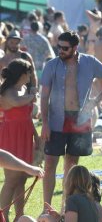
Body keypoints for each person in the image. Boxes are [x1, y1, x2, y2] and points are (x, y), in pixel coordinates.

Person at [40, 31, 102, 209]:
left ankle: (65, 207)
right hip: (56, 119)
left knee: (71, 165)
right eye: (58, 47)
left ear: (75, 48)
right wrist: (45, 123)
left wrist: (96, 101)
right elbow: (44, 97)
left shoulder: (89, 62)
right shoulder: (52, 65)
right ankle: (47, 207)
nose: (60, 50)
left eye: (64, 48)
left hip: (79, 119)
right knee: (50, 163)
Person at [0, 59, 39, 220]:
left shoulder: (24, 89)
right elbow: (16, 102)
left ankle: (19, 216)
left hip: (25, 135)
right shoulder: (7, 92)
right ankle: (3, 216)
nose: (31, 75)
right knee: (11, 180)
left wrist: (36, 136)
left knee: (22, 178)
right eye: (29, 71)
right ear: (22, 74)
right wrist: (33, 95)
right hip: (10, 136)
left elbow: (27, 116)